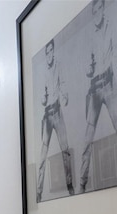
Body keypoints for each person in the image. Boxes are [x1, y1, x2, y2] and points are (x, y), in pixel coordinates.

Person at [79, 0, 117, 193]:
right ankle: (82, 182)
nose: (97, 14)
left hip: (110, 83)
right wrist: (88, 69)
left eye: (100, 9)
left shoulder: (111, 26)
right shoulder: (88, 36)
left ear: (103, 9)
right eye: (94, 11)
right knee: (87, 138)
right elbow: (86, 66)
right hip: (94, 89)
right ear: (92, 13)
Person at [37, 38, 73, 203]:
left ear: (54, 51)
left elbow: (63, 85)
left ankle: (70, 185)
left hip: (57, 112)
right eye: (47, 53)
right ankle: (38, 192)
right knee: (42, 155)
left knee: (65, 148)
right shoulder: (43, 73)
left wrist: (64, 97)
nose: (49, 55)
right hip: (47, 115)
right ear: (46, 55)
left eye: (51, 51)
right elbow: (41, 100)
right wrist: (44, 99)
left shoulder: (59, 66)